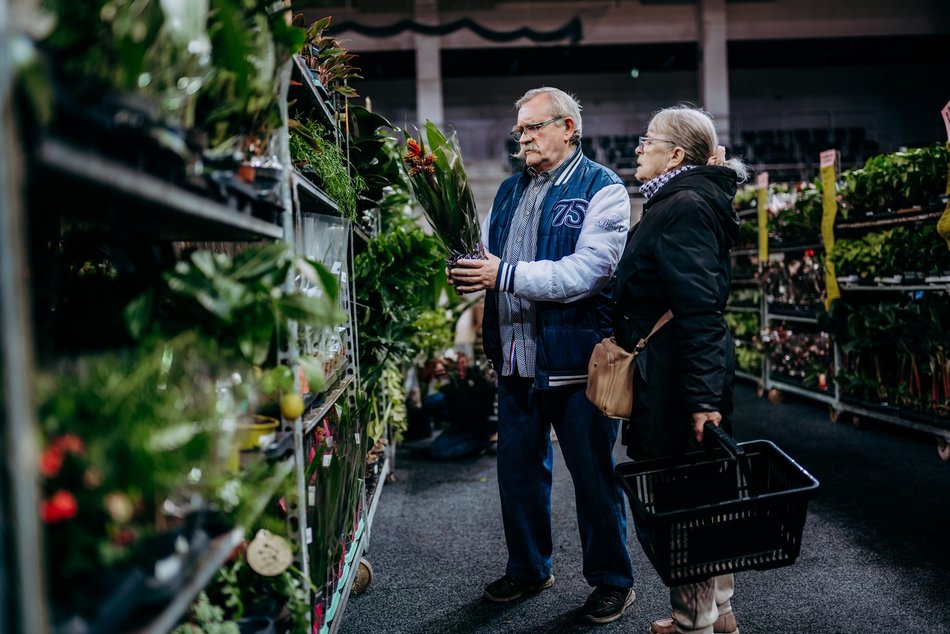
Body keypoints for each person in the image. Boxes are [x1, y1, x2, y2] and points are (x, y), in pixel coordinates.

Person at [449, 86, 635, 625]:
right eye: (519, 131)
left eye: (532, 128)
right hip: (514, 359)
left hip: (575, 361)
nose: (522, 138)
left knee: (594, 475)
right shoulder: (508, 190)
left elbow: (590, 272)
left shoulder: (604, 188)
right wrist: (468, 269)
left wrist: (502, 273)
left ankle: (613, 580)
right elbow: (487, 257)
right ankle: (529, 567)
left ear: (567, 128)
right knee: (518, 473)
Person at [611, 105, 750, 634]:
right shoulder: (678, 201)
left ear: (676, 154)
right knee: (704, 492)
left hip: (676, 383)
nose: (638, 148)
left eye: (648, 140)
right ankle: (717, 613)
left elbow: (698, 311)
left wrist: (702, 400)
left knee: (683, 498)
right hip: (678, 376)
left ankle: (693, 620)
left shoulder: (683, 205)